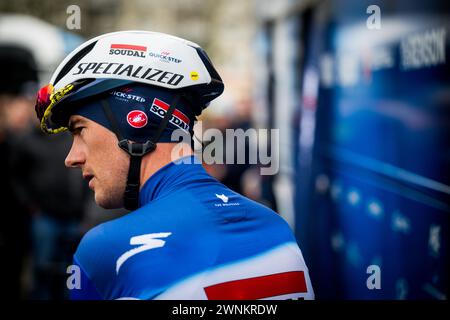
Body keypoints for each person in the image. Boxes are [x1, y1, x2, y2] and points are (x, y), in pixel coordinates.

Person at [34, 30, 314, 300]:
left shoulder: (107, 250)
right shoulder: (277, 228)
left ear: (134, 121)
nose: (72, 157)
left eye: (79, 129)